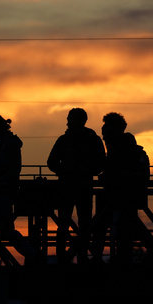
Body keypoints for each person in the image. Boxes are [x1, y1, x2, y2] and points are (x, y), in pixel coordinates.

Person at [47, 108, 105, 263]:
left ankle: (67, 258)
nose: (67, 122)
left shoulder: (65, 140)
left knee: (68, 224)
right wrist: (82, 171)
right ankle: (79, 256)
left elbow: (51, 162)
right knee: (81, 224)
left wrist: (67, 170)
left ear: (78, 121)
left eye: (69, 119)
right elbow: (101, 163)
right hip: (80, 187)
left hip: (72, 187)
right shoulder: (92, 139)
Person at [93, 112, 149, 264]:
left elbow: (116, 168)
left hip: (120, 195)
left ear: (115, 129)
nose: (104, 137)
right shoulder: (125, 146)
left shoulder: (121, 147)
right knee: (126, 227)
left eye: (106, 132)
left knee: (105, 226)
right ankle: (128, 259)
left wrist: (107, 175)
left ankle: (103, 259)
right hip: (124, 195)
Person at [0, 115, 37, 261]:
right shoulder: (2, 145)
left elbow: (15, 169)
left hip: (3, 192)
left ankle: (27, 257)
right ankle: (32, 256)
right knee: (7, 231)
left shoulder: (9, 145)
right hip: (4, 191)